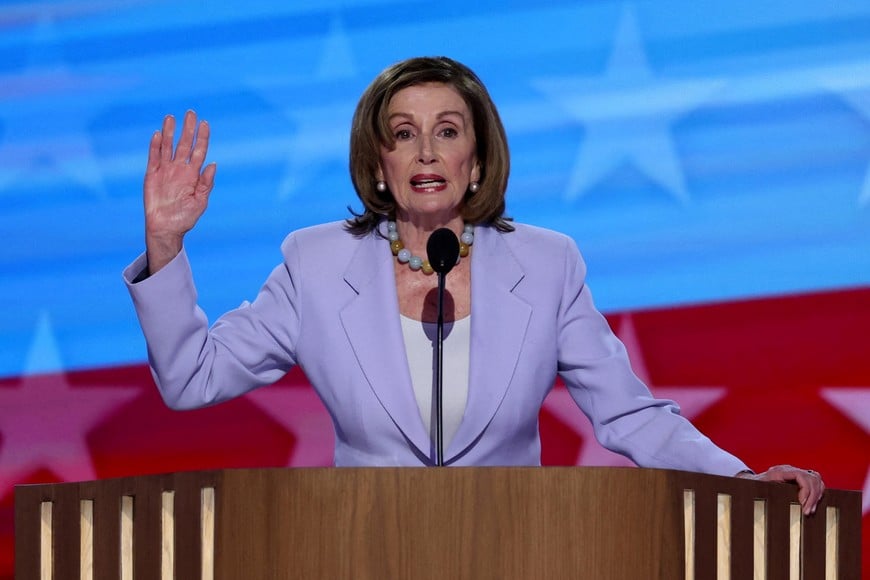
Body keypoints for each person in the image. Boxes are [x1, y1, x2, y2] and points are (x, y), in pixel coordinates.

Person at [123, 56, 824, 515]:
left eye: (447, 131)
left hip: (515, 553)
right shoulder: (315, 265)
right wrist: (165, 245)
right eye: (403, 134)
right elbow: (192, 379)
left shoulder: (548, 265)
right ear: (377, 166)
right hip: (358, 555)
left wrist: (737, 480)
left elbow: (629, 416)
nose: (426, 152)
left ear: (478, 162)